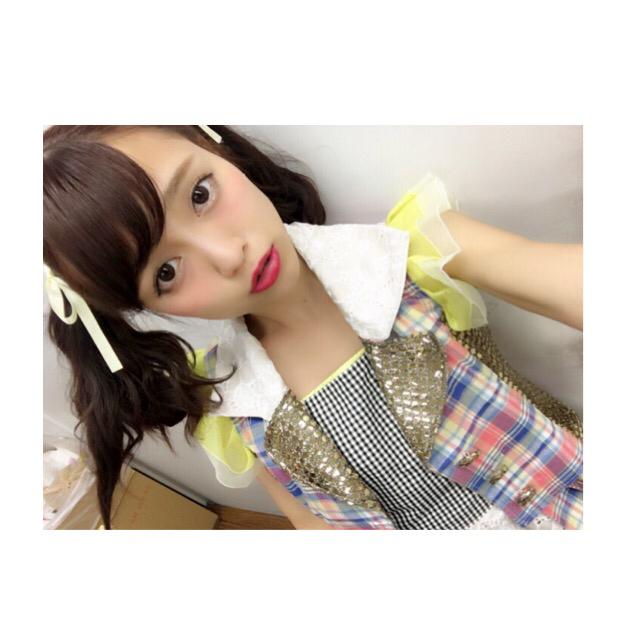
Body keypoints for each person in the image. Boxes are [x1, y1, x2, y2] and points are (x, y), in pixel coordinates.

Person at [43, 125, 583, 530]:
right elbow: (317, 530)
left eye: (201, 195)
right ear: (145, 309)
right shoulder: (230, 409)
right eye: (166, 272)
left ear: (215, 146)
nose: (228, 255)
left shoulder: (411, 253)